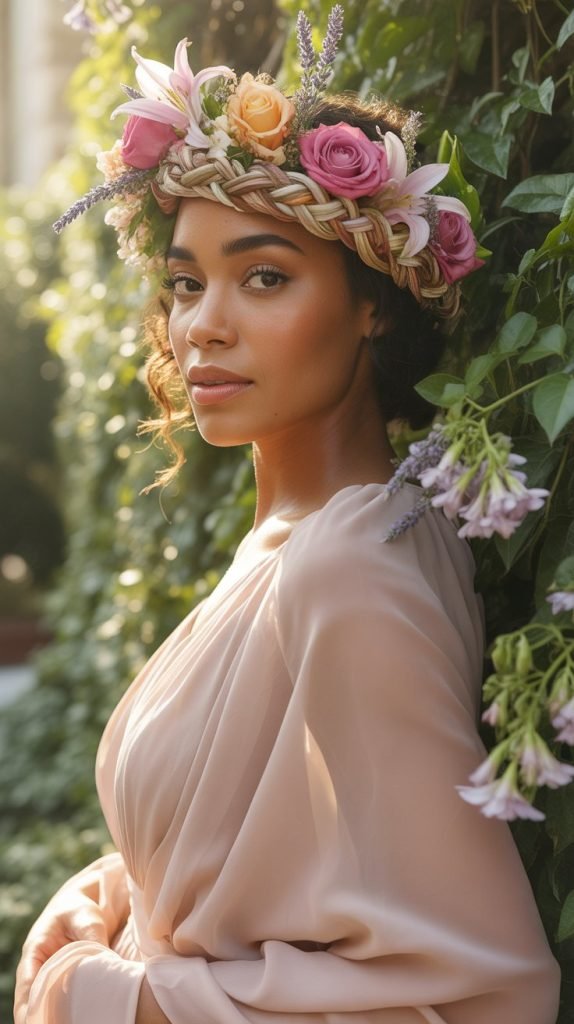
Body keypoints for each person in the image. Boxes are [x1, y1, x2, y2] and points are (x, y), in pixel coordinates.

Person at [15, 8, 561, 1023]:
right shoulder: (304, 540)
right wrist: (105, 895)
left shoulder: (351, 566)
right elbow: (255, 859)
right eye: (186, 281)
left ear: (374, 305)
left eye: (263, 276)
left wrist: (104, 997)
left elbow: (486, 988)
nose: (201, 324)